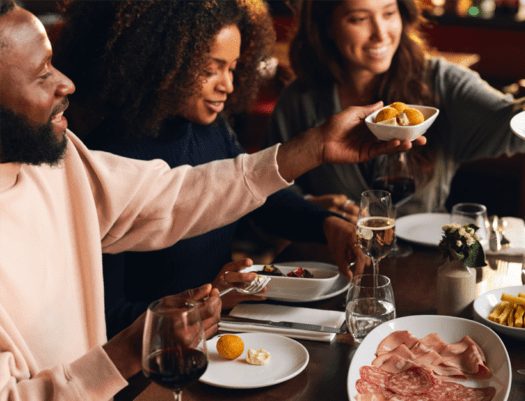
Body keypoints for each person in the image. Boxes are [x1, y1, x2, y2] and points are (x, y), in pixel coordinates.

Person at [0, 0, 423, 398]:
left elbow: (175, 194)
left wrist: (316, 149)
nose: (65, 83)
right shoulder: (97, 145)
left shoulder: (58, 160)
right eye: (42, 75)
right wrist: (140, 342)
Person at [52, 0, 370, 338]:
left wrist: (325, 224)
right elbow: (109, 318)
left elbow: (254, 197)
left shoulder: (210, 127)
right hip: (160, 359)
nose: (228, 85)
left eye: (232, 68)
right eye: (210, 70)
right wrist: (205, 302)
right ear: (160, 62)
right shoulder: (107, 160)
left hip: (224, 328)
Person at [265, 0, 525, 216]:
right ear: (326, 26)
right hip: (336, 270)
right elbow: (267, 198)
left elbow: (508, 122)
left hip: (426, 263)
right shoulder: (300, 100)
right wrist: (310, 210)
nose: (381, 33)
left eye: (389, 13)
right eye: (359, 18)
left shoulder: (442, 80)